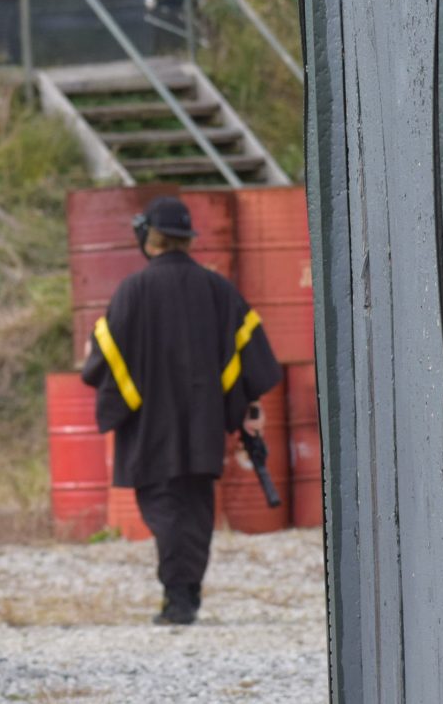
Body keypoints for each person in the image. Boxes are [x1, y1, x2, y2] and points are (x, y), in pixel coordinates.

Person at [80, 195, 281, 626]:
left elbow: (103, 357)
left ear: (149, 238)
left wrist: (99, 367)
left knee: (165, 506)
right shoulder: (218, 289)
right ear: (186, 239)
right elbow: (251, 354)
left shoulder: (132, 291)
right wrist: (247, 407)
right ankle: (187, 591)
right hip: (204, 422)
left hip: (151, 425)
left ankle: (179, 600)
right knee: (196, 508)